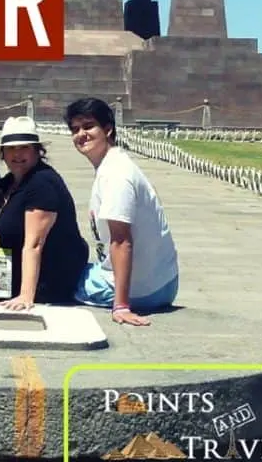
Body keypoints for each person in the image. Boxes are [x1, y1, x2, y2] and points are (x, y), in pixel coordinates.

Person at [65, 97, 179, 326]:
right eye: (75, 129)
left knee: (55, 279)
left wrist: (122, 306)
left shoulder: (116, 175)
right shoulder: (113, 164)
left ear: (108, 129)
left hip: (144, 291)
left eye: (88, 127)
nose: (81, 135)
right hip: (164, 282)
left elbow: (121, 241)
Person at [0, 116, 89, 309]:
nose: (17, 154)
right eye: (11, 148)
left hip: (50, 271)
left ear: (37, 151)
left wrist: (26, 296)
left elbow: (34, 244)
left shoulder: (42, 183)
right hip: (13, 258)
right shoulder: (8, 182)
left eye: (24, 147)